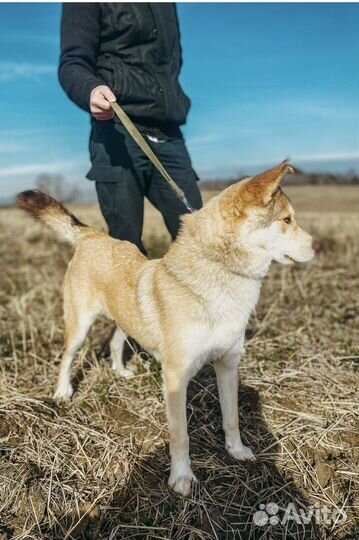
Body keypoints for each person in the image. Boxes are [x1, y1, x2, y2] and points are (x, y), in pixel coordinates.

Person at [58, 3, 203, 254]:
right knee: (127, 251)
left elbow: (170, 61)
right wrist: (90, 89)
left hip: (168, 135)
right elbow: (72, 63)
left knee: (200, 239)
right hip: (117, 133)